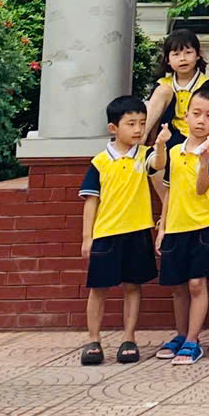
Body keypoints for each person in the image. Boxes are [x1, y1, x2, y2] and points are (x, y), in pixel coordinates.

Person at [149, 82, 209, 365]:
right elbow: (169, 191)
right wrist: (163, 227)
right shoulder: (173, 151)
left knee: (196, 283)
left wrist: (204, 162)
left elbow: (202, 188)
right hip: (176, 225)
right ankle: (181, 335)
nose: (201, 120)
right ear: (186, 115)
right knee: (178, 286)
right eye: (196, 113)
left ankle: (193, 341)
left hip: (204, 225)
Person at [77, 94, 155, 366]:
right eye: (131, 124)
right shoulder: (100, 162)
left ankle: (129, 338)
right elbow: (91, 201)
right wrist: (87, 236)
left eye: (142, 123)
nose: (137, 129)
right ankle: (93, 340)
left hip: (138, 231)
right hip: (106, 233)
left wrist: (162, 145)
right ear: (113, 128)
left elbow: (159, 164)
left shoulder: (146, 155)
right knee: (98, 288)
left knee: (133, 286)